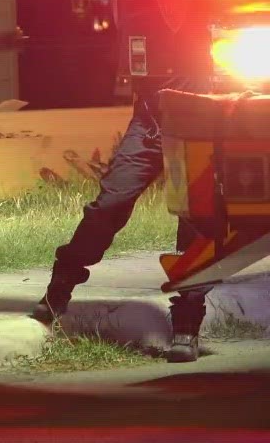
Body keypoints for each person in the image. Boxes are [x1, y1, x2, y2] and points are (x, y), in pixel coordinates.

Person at [33, 75, 212, 363]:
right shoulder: (138, 27)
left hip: (201, 123)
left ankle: (187, 323)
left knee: (195, 215)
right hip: (150, 123)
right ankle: (63, 280)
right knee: (109, 205)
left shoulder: (204, 27)